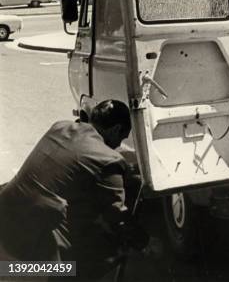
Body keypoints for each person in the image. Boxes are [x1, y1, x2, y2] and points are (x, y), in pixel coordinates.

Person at [0, 100, 146, 280]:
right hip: (27, 249)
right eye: (121, 138)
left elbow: (74, 162)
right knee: (108, 247)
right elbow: (117, 216)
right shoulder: (109, 159)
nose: (118, 145)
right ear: (116, 129)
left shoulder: (60, 127)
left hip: (6, 217)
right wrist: (144, 243)